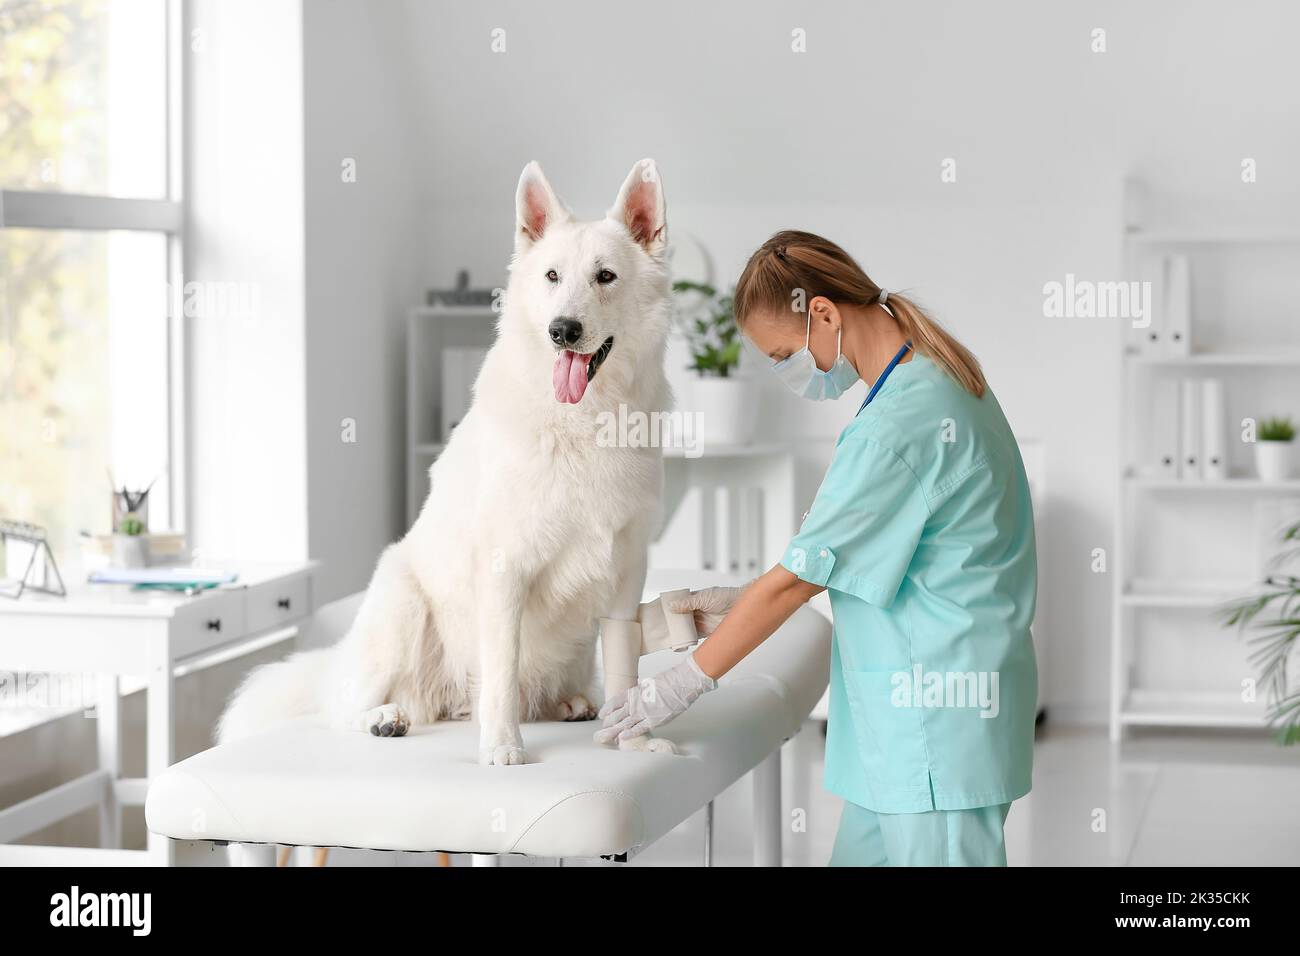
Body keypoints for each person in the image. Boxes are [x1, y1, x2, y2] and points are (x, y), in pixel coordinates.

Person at [596, 230, 1038, 866]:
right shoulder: (927, 381)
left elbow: (798, 580)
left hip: (935, 728)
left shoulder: (899, 426)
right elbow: (850, 554)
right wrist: (742, 599)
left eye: (782, 354)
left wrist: (677, 686)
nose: (786, 373)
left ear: (824, 313)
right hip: (899, 728)